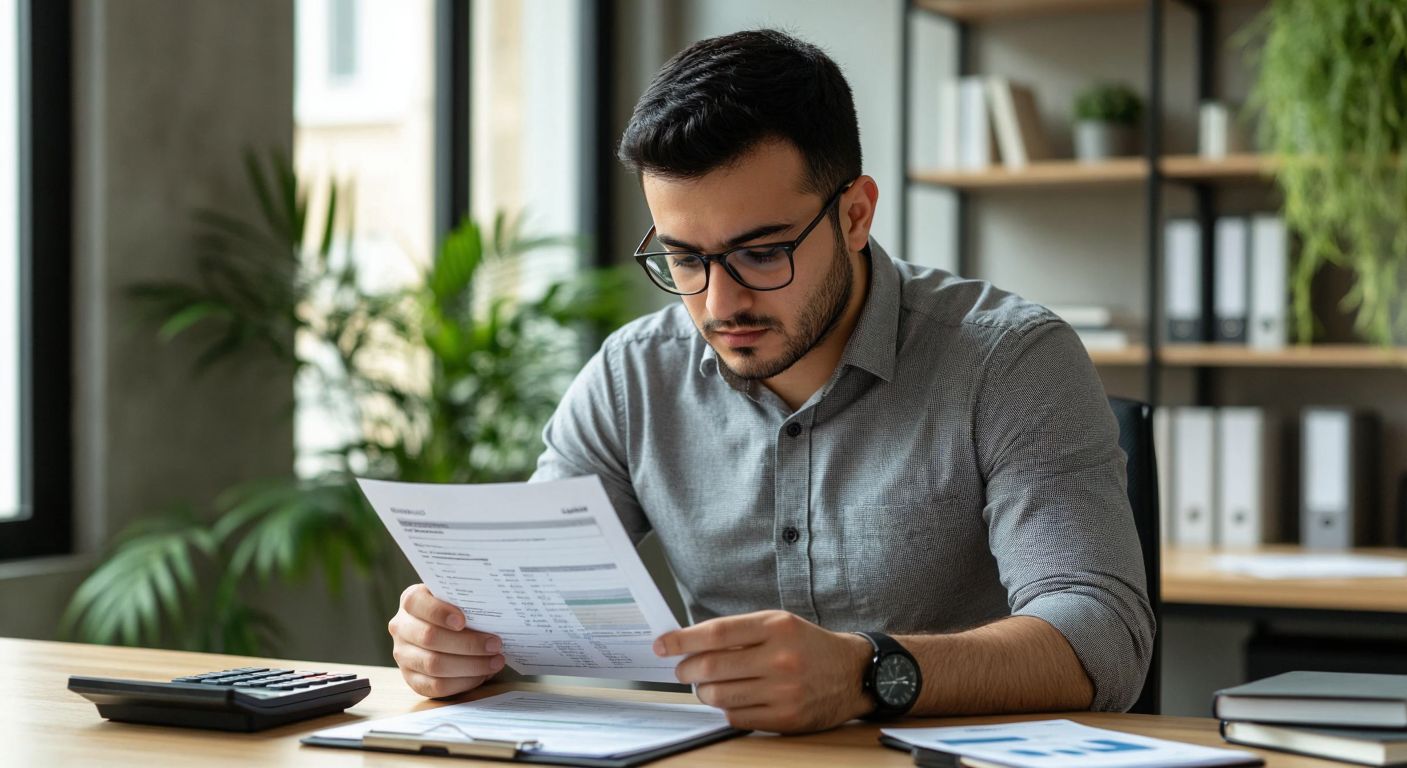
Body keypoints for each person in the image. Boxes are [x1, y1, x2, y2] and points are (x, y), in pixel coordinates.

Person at [387, 28, 1154, 734]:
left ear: (855, 215)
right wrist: (454, 640)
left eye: (761, 253)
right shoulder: (631, 378)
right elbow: (526, 598)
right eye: (684, 259)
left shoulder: (1010, 361)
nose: (720, 305)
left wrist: (868, 673)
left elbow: (1103, 636)